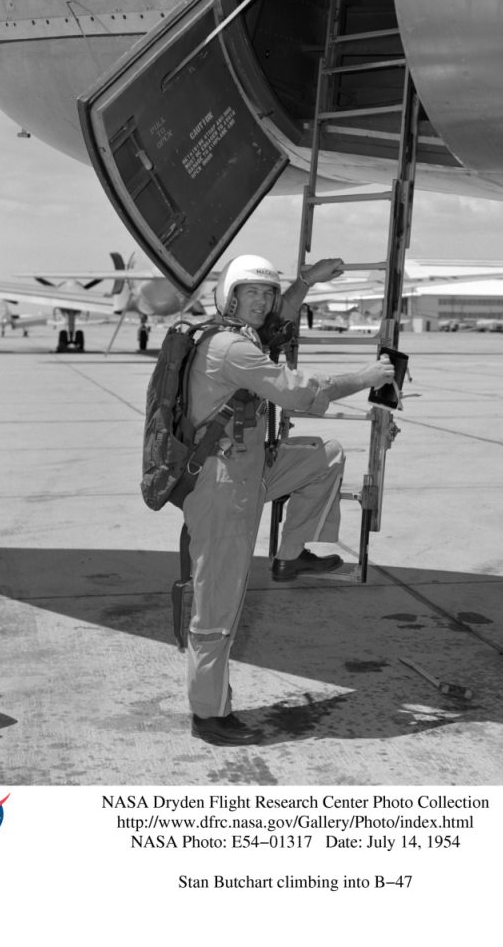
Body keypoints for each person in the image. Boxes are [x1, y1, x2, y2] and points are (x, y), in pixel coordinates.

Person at [182, 254, 396, 746]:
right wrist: (365, 377)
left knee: (326, 455)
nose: (260, 302)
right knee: (216, 606)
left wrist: (303, 283)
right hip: (222, 490)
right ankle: (209, 714)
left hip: (252, 469)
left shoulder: (246, 335)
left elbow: (277, 323)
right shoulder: (228, 348)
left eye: (265, 293)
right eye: (250, 293)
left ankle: (290, 555)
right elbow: (298, 393)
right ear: (229, 297)